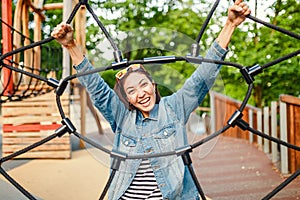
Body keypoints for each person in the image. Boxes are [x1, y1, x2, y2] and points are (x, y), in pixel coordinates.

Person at [51, 0, 250, 199]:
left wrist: (230, 25)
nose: (141, 93)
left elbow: (202, 78)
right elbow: (97, 89)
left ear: (153, 85)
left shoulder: (173, 108)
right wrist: (71, 46)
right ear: (127, 98)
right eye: (132, 90)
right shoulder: (121, 116)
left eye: (144, 84)